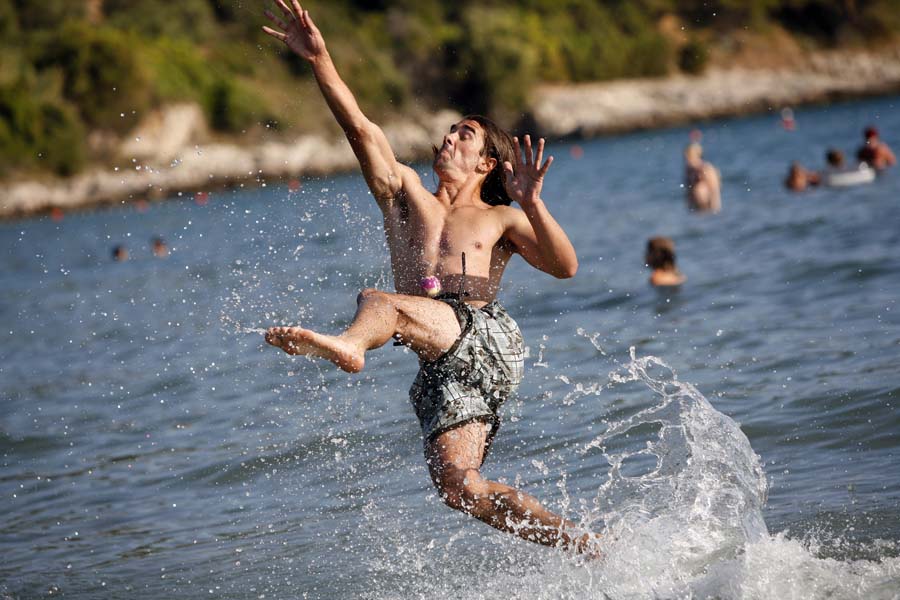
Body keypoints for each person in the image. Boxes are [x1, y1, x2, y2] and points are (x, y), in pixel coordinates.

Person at [261, 2, 596, 554]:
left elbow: (565, 267)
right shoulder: (404, 197)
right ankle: (580, 544)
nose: (449, 137)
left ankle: (349, 345)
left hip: (484, 334)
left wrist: (533, 204)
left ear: (487, 163)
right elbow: (362, 129)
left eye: (464, 134)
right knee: (459, 488)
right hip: (439, 362)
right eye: (450, 130)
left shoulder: (500, 218)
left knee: (381, 303)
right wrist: (320, 61)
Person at [683, 142, 721, 213]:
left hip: (707, 204)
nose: (687, 160)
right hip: (695, 206)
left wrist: (715, 208)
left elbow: (715, 190)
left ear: (697, 156)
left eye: (689, 157)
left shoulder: (706, 169)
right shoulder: (689, 170)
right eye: (686, 157)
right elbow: (687, 190)